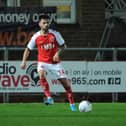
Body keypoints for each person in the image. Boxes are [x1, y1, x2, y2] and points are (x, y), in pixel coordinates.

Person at [20, 14, 76, 111]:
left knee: (66, 85)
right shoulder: (36, 37)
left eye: (47, 23)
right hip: (42, 62)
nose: (46, 24)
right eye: (44, 23)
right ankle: (49, 98)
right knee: (41, 75)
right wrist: (23, 61)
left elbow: (63, 46)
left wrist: (57, 53)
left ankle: (72, 103)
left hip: (55, 63)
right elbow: (28, 49)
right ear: (39, 24)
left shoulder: (55, 34)